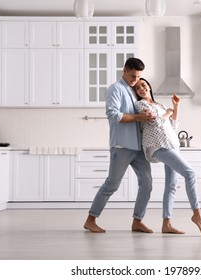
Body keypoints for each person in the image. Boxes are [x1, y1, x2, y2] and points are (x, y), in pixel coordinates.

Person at [84, 58, 156, 233]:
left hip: (138, 147)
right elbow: (113, 115)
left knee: (147, 183)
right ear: (124, 70)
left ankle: (137, 221)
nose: (135, 80)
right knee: (112, 185)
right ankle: (90, 219)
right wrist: (139, 118)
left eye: (138, 77)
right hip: (122, 146)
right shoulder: (115, 89)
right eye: (132, 76)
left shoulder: (133, 90)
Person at [133, 78, 201, 236]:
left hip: (172, 143)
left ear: (149, 86)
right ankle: (197, 214)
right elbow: (156, 122)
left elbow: (173, 125)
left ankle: (167, 224)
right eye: (138, 88)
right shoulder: (140, 105)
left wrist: (175, 107)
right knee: (190, 173)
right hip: (158, 145)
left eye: (143, 85)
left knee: (171, 186)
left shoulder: (160, 105)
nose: (141, 89)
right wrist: (168, 112)